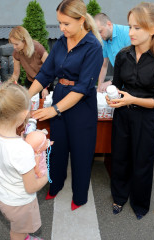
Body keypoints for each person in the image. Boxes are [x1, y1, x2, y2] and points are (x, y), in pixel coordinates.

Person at [28, 0, 103, 211]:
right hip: (60, 94)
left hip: (81, 104)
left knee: (81, 152)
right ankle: (55, 185)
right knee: (57, 148)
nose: (61, 28)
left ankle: (79, 197)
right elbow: (45, 74)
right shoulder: (61, 42)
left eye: (66, 23)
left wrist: (54, 109)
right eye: (59, 23)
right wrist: (25, 96)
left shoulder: (93, 47)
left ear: (81, 20)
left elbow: (82, 88)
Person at [106, 2, 154, 220]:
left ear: (153, 29)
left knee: (142, 160)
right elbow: (116, 85)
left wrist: (133, 99)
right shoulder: (123, 56)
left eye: (137, 27)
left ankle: (140, 203)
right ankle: (119, 196)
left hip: (146, 118)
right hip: (123, 116)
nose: (131, 32)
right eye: (130, 26)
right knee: (120, 157)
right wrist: (112, 96)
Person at [0, 82, 48, 240]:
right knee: (17, 232)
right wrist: (47, 174)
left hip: (1, 196)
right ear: (23, 115)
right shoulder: (22, 150)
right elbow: (31, 186)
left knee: (18, 226)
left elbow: (11, 148)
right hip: (20, 203)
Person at [94, 13, 131, 92]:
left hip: (133, 85)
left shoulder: (127, 33)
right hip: (120, 84)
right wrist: (100, 86)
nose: (99, 36)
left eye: (100, 31)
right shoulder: (104, 39)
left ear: (109, 24)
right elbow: (104, 65)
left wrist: (111, 82)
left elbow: (131, 67)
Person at [9, 26, 49, 98]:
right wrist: (9, 86)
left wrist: (45, 87)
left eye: (16, 44)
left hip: (44, 82)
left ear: (24, 41)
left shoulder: (38, 48)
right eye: (12, 44)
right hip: (30, 82)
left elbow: (50, 68)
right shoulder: (16, 53)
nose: (14, 47)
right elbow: (15, 74)